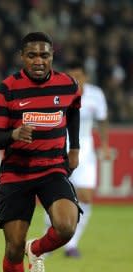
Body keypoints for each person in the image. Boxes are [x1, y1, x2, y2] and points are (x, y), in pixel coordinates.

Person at [0, 32, 82, 272]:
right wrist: (13, 134)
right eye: (32, 56)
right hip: (17, 174)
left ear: (52, 56)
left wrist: (74, 147)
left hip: (53, 168)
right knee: (13, 247)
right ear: (22, 57)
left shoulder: (67, 84)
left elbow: (74, 112)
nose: (39, 61)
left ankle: (36, 249)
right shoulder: (8, 90)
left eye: (45, 55)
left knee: (66, 226)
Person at [43, 61, 110, 258]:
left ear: (85, 77)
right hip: (58, 147)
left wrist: (105, 145)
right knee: (55, 196)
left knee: (86, 196)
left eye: (78, 76)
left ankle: (71, 244)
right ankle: (49, 239)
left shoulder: (96, 95)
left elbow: (102, 120)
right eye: (71, 76)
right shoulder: (57, 93)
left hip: (85, 150)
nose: (75, 80)